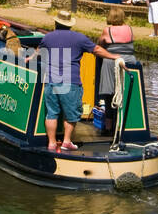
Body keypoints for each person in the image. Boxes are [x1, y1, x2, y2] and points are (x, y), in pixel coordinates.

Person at [39, 12, 123, 152]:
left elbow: (39, 52)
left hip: (51, 81)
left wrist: (28, 59)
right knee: (71, 114)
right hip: (70, 82)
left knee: (52, 114)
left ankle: (52, 143)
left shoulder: (47, 37)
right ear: (70, 24)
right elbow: (96, 49)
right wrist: (113, 56)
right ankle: (66, 142)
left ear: (56, 23)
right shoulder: (79, 38)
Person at [98, 19, 136, 128]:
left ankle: (108, 126)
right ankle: (125, 124)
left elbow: (100, 43)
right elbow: (132, 40)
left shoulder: (107, 30)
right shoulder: (129, 28)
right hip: (130, 61)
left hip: (112, 60)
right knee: (125, 93)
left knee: (109, 95)